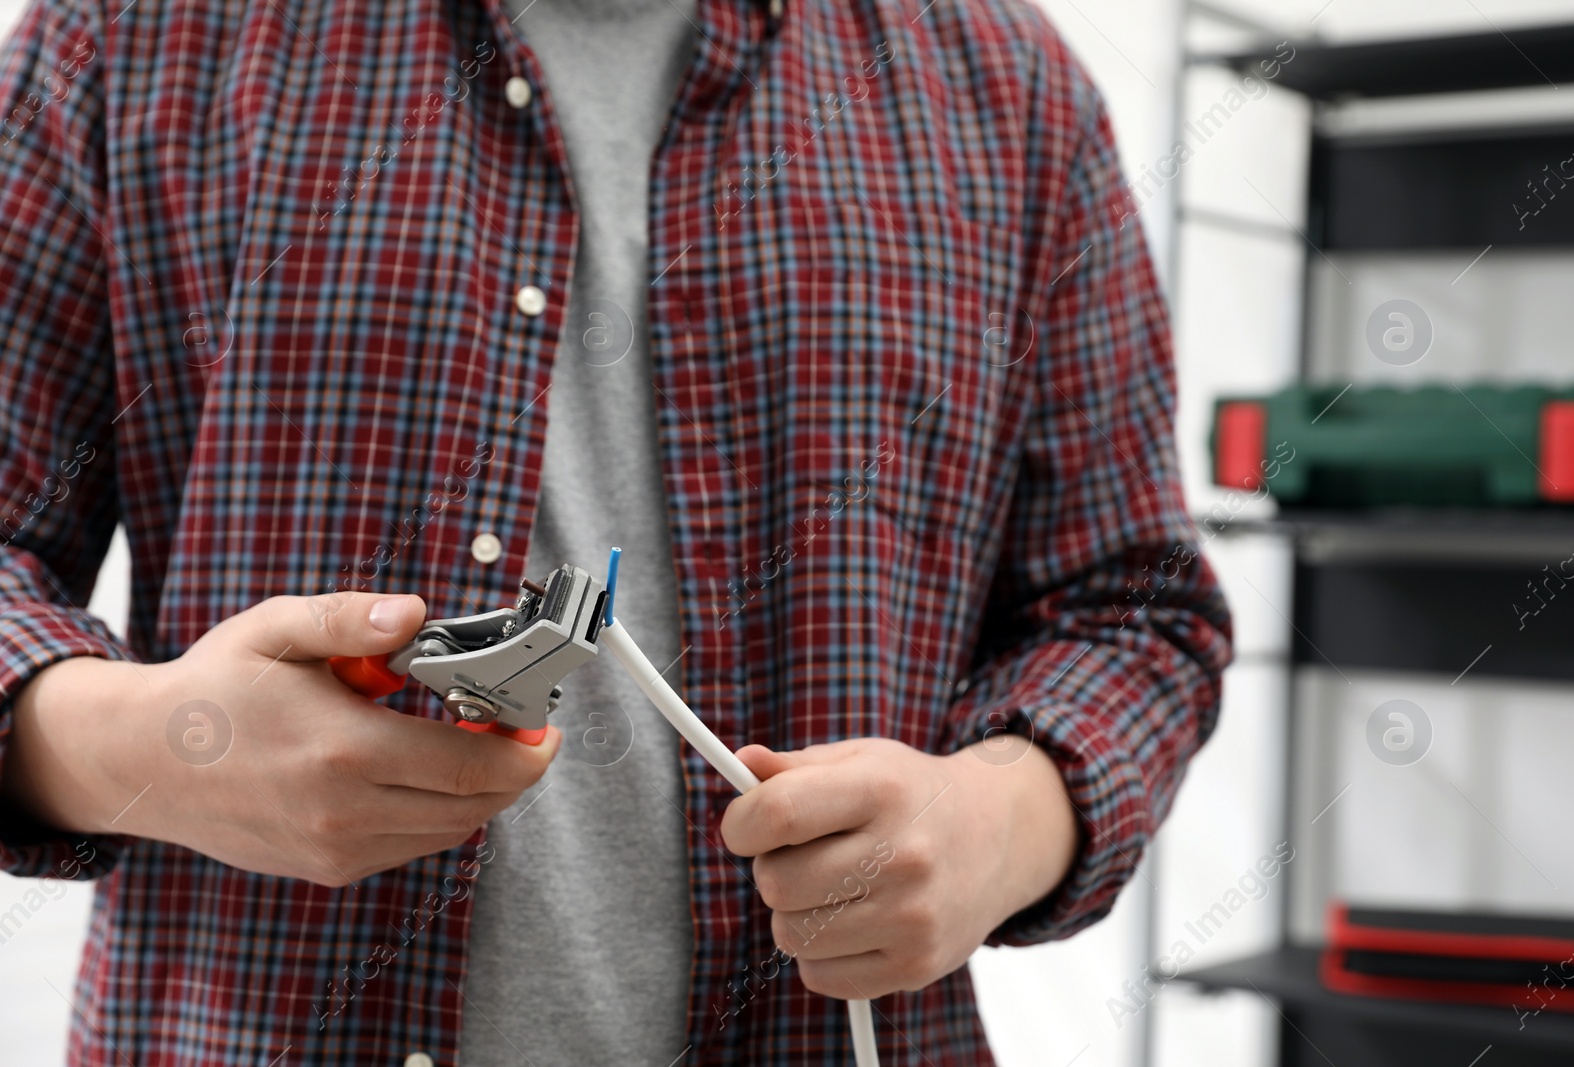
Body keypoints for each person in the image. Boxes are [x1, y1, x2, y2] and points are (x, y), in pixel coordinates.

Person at [0, 0, 1232, 1058]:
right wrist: (147, 746)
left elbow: (1135, 609)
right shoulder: (133, 35)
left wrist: (1003, 820)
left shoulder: (1011, 94)